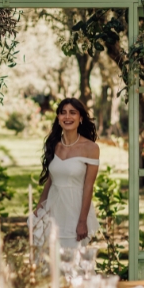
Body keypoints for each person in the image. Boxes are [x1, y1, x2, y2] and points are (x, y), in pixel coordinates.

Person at [33, 97, 101, 250]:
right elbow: (51, 180)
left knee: (73, 260)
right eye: (63, 113)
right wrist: (39, 208)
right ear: (58, 118)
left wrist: (82, 221)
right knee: (50, 259)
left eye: (73, 113)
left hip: (75, 211)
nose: (67, 117)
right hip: (53, 209)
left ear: (80, 117)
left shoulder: (91, 148)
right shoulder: (53, 145)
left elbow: (89, 186)